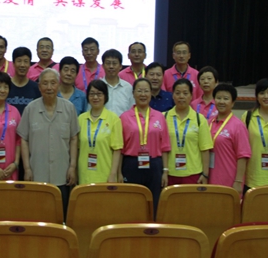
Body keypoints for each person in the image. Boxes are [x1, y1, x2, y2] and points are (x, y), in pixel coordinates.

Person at [17, 68, 79, 215]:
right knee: (37, 215)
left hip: (62, 174)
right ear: (39, 87)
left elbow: (73, 138)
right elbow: (24, 139)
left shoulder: (69, 108)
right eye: (45, 83)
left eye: (53, 83)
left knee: (60, 215)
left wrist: (72, 167)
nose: (49, 87)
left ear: (58, 85)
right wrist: (27, 168)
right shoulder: (30, 109)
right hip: (37, 173)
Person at [120, 78, 170, 215]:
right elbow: (120, 148)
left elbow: (165, 146)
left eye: (146, 91)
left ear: (151, 93)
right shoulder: (124, 117)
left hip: (154, 165)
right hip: (131, 164)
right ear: (133, 93)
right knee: (132, 202)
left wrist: (165, 171)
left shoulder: (160, 117)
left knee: (154, 203)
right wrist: (119, 172)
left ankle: (152, 226)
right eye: (139, 91)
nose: (143, 94)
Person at [164, 79, 213, 185]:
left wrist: (205, 174)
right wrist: (164, 171)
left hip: (193, 174)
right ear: (173, 96)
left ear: (191, 96)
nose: (181, 96)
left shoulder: (200, 119)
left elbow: (205, 149)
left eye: (185, 93)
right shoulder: (164, 117)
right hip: (169, 173)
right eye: (177, 93)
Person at [77, 80, 123, 184]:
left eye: (99, 94)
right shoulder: (81, 119)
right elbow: (78, 149)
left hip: (106, 176)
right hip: (84, 175)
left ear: (105, 96)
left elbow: (117, 150)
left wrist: (113, 175)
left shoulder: (114, 119)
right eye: (92, 94)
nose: (95, 97)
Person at [208, 84, 251, 193]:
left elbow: (243, 156)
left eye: (226, 99)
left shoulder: (238, 125)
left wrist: (238, 181)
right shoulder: (209, 122)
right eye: (218, 98)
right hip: (210, 178)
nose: (221, 101)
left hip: (229, 180)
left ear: (233, 103)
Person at [7, 46, 41, 116]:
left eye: (26, 61)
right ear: (13, 63)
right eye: (19, 61)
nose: (22, 65)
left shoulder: (36, 88)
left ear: (30, 64)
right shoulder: (6, 86)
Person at [101, 49, 134, 116]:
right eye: (108, 63)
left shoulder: (128, 87)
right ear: (103, 66)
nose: (111, 66)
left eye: (114, 63)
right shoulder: (97, 87)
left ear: (120, 66)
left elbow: (132, 111)